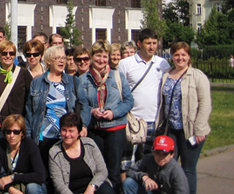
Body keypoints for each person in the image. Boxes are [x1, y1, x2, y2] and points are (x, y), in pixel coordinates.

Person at [156, 41, 211, 194]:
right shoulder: (167, 74)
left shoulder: (198, 76)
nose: (180, 58)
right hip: (171, 129)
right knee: (169, 166)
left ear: (189, 57)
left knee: (188, 169)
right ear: (172, 56)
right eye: (176, 55)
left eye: (183, 55)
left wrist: (199, 129)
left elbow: (205, 105)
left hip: (191, 130)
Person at [79, 40, 134, 192]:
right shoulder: (84, 79)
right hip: (95, 130)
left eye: (104, 56)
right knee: (96, 170)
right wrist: (92, 111)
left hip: (115, 129)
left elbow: (129, 101)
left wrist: (113, 112)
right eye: (98, 56)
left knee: (114, 171)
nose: (101, 60)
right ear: (92, 56)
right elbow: (81, 104)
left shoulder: (117, 76)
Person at [25, 45, 83, 166]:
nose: (62, 60)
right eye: (57, 58)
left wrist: (84, 126)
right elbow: (30, 112)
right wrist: (29, 137)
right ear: (48, 61)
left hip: (66, 136)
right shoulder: (37, 82)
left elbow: (83, 105)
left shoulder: (73, 81)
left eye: (63, 58)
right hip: (44, 136)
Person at [118, 29, 170, 162]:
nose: (151, 46)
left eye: (154, 43)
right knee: (127, 161)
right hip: (132, 120)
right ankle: (127, 183)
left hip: (153, 119)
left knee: (150, 160)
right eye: (148, 43)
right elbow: (118, 90)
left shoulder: (162, 64)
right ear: (139, 44)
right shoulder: (126, 64)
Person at [49, 113, 114, 194]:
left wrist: (91, 187)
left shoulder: (90, 144)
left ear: (79, 132)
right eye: (64, 130)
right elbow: (59, 185)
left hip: (93, 188)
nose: (67, 134)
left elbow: (102, 171)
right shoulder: (54, 152)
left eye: (71, 131)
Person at [0, 114, 47, 194]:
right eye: (8, 132)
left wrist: (13, 177)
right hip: (11, 187)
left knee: (32, 188)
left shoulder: (30, 145)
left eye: (16, 132)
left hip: (30, 184)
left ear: (22, 133)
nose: (12, 135)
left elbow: (40, 176)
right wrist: (10, 189)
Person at [0, 40, 33, 142]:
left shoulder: (23, 73)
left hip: (18, 124)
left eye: (11, 53)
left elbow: (29, 98)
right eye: (4, 53)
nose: (8, 56)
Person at [122, 135, 189, 194]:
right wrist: (144, 177)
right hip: (151, 191)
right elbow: (130, 171)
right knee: (128, 183)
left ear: (172, 154)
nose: (160, 157)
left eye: (164, 154)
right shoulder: (148, 159)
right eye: (157, 153)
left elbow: (183, 192)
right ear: (153, 151)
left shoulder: (176, 171)